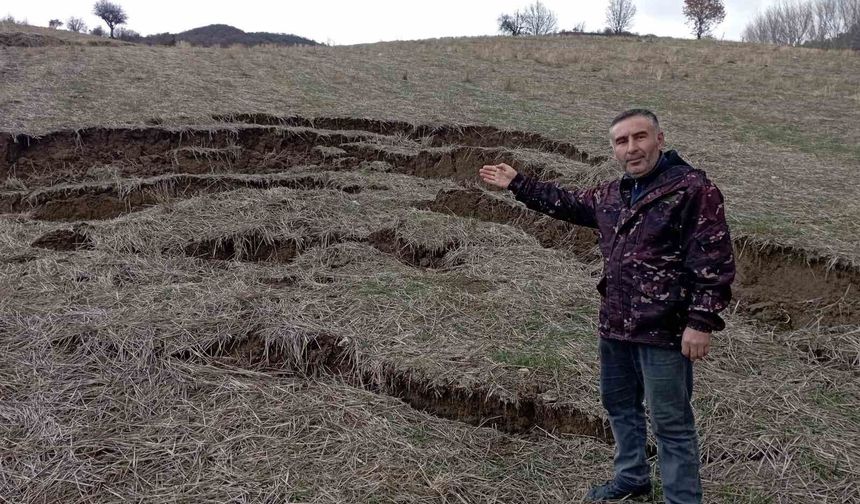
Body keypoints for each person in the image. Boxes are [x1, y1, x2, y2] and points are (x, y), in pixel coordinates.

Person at [478, 109, 735, 504]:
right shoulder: (612, 195)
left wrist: (700, 321)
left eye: (640, 137)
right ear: (614, 149)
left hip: (664, 330)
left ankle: (682, 499)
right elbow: (566, 202)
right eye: (621, 141)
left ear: (659, 139)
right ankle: (632, 478)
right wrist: (519, 183)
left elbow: (713, 260)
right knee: (619, 406)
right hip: (615, 325)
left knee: (671, 423)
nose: (632, 148)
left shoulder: (692, 189)